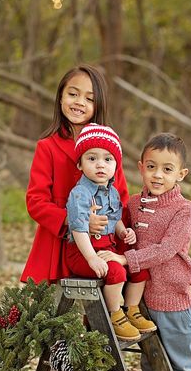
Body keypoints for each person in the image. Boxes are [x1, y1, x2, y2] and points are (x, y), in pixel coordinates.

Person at [98, 132, 191, 371]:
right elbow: (117, 227)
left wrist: (125, 258)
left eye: (167, 169)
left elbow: (166, 249)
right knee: (151, 360)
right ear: (140, 168)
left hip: (172, 299)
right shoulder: (133, 204)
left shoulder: (184, 209)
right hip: (139, 301)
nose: (158, 175)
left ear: (181, 174)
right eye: (151, 167)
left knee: (181, 358)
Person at [21, 64, 128, 285]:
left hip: (103, 241)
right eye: (73, 94)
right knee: (57, 310)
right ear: (61, 97)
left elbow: (122, 197)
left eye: (89, 99)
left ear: (98, 105)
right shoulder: (47, 147)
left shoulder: (108, 149)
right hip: (58, 242)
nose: (79, 102)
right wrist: (76, 220)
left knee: (112, 292)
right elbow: (36, 201)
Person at [65, 123, 156, 342]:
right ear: (79, 163)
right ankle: (115, 314)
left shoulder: (112, 192)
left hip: (107, 247)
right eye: (92, 158)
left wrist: (125, 232)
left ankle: (132, 309)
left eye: (108, 159)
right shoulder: (80, 194)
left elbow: (114, 219)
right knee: (116, 272)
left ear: (116, 165)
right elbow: (78, 229)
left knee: (138, 269)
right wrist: (91, 258)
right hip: (82, 252)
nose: (100, 165)